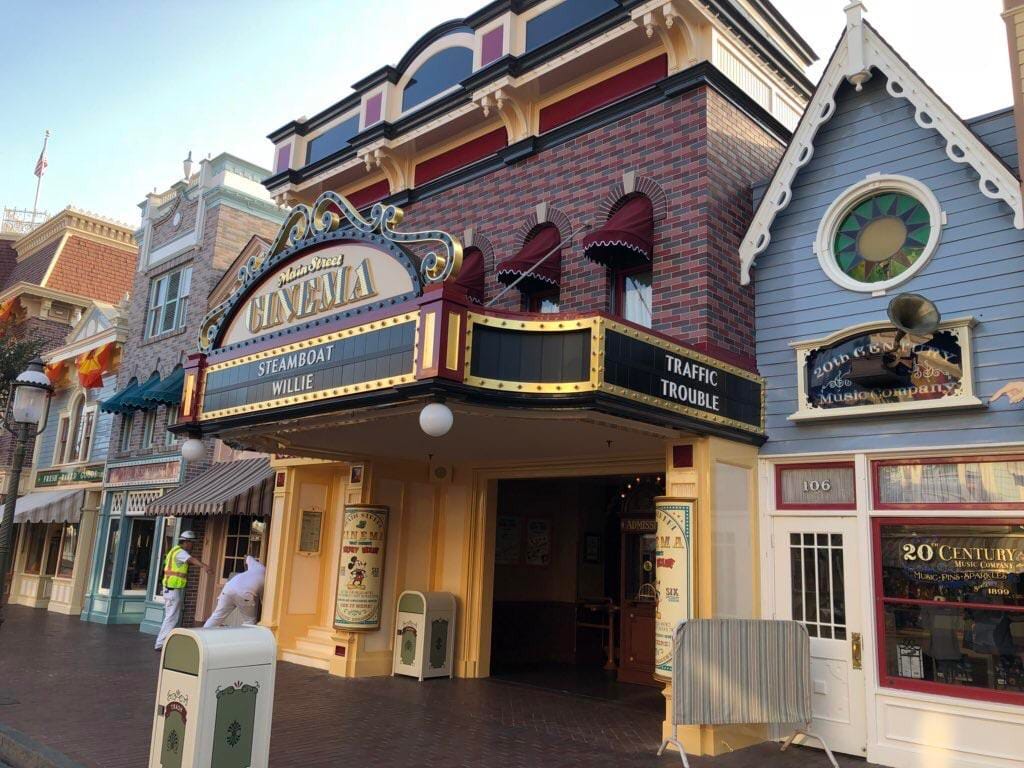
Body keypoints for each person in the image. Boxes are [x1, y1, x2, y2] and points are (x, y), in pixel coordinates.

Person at [155, 530, 211, 651]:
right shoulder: (181, 552)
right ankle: (161, 643)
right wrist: (204, 566)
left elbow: (186, 563)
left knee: (170, 617)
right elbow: (191, 560)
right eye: (192, 543)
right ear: (186, 542)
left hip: (170, 589)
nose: (192, 545)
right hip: (172, 590)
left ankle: (163, 642)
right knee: (171, 618)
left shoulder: (174, 551)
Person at [203, 554, 266, 627]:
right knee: (249, 621)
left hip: (228, 588)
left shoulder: (258, 566)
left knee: (217, 616)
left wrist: (246, 573)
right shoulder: (268, 580)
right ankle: (245, 634)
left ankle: (203, 632)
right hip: (245, 593)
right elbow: (263, 600)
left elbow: (247, 557)